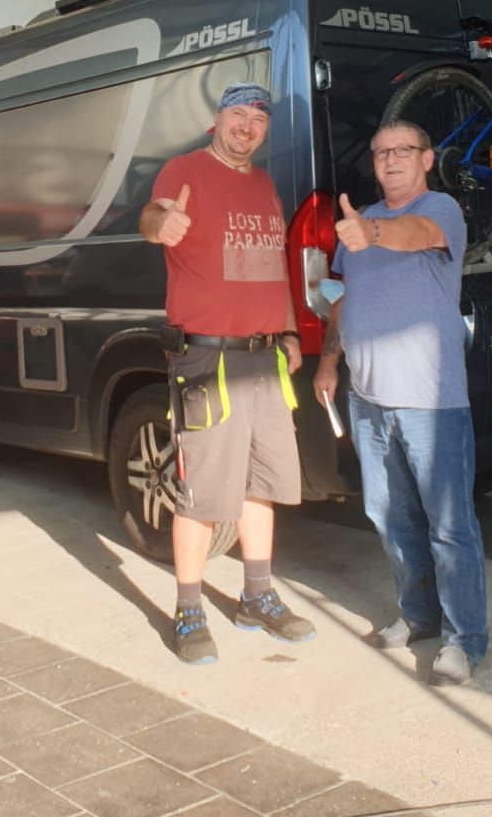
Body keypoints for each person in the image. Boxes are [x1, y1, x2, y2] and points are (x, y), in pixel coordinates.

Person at [140, 82, 315, 665]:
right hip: (209, 359)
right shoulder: (184, 170)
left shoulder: (264, 185)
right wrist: (159, 225)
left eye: (258, 117)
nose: (247, 124)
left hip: (266, 359)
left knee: (261, 484)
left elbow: (273, 268)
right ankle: (188, 608)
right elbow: (156, 214)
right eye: (237, 113)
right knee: (204, 492)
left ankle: (256, 596)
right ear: (216, 120)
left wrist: (290, 329)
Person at [312, 119, 488, 686]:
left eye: (402, 151)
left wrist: (374, 233)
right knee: (390, 519)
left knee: (450, 527)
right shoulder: (358, 224)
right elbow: (343, 301)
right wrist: (328, 362)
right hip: (367, 400)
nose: (389, 161)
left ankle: (465, 640)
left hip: (429, 403)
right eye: (380, 152)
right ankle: (418, 616)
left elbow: (416, 234)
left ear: (427, 158)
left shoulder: (441, 211)